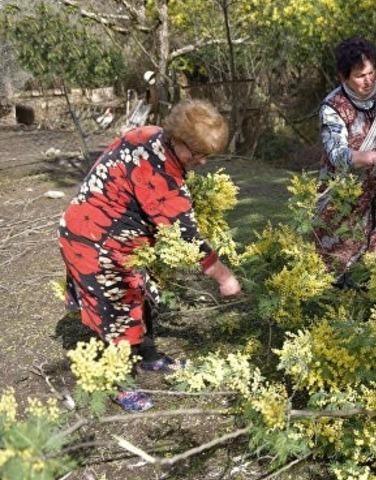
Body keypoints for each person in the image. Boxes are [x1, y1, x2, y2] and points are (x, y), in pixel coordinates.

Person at [59, 99, 241, 411]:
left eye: (206, 155)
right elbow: (187, 237)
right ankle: (118, 381)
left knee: (140, 302)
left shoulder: (151, 135)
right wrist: (224, 277)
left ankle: (144, 355)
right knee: (117, 312)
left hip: (116, 237)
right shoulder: (161, 176)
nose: (201, 161)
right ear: (177, 137)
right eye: (196, 153)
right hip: (94, 241)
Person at [315, 37, 376, 282]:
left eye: (372, 73)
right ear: (343, 76)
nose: (368, 80)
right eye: (360, 76)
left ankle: (363, 298)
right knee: (336, 263)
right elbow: (338, 154)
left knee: (368, 260)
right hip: (343, 198)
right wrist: (372, 156)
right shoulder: (333, 107)